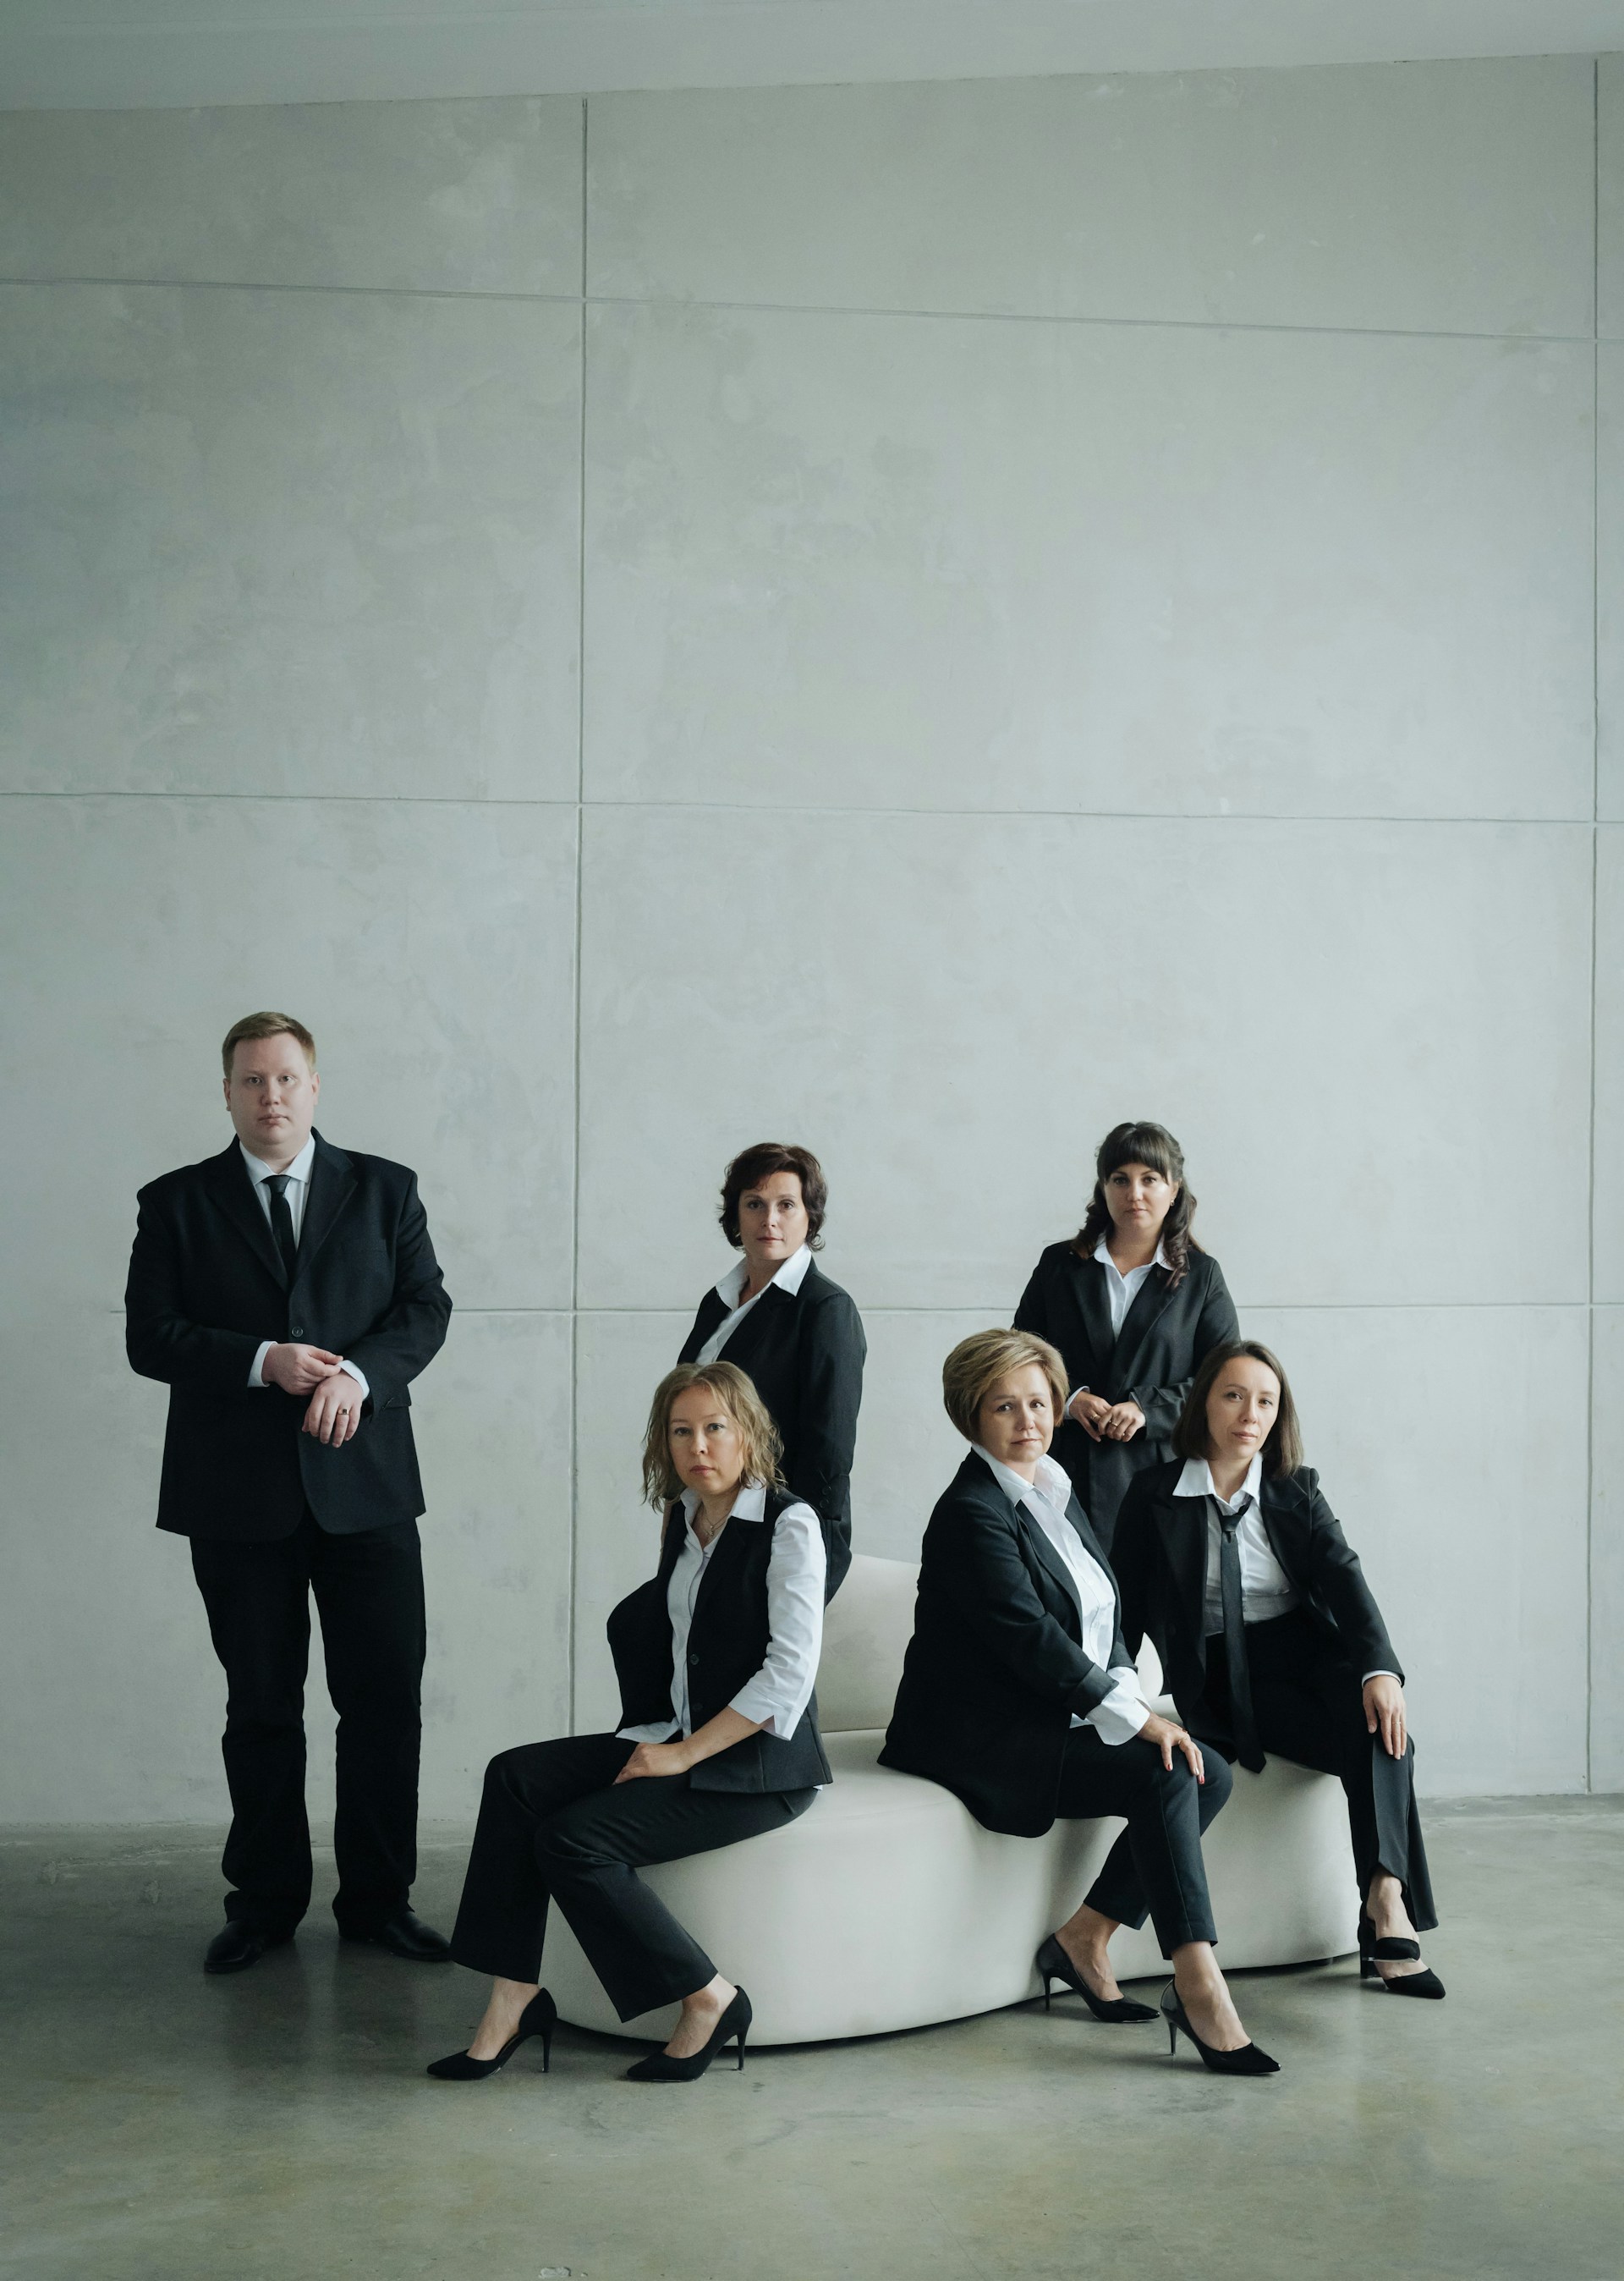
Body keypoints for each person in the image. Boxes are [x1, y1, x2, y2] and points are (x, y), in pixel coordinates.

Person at [123, 1012, 453, 1974]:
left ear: (316, 1087)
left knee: (384, 1703)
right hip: (236, 1501)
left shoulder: (387, 1189)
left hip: (369, 1490)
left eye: (287, 1078)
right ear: (226, 1092)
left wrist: (362, 1376)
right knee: (260, 1705)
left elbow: (424, 1308)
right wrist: (264, 1361)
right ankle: (264, 1903)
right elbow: (151, 1336)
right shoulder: (176, 1202)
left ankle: (379, 1901)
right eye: (251, 1080)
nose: (271, 1095)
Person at [881, 1329, 1278, 2075]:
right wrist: (1141, 1719)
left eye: (1039, 1402)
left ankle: (1086, 1936)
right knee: (1168, 1768)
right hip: (982, 1737)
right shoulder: (972, 1513)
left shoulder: (1055, 1493)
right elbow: (1034, 1642)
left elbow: (1104, 1623)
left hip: (1052, 1716)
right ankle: (1198, 1983)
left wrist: (1133, 1700)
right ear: (972, 1417)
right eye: (1005, 1407)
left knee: (1207, 1771)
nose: (1028, 1420)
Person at [431, 1362, 829, 2085]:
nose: (698, 1446)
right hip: (673, 1732)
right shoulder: (684, 1517)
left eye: (715, 1428)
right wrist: (658, 1738)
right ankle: (513, 1998)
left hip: (758, 1767)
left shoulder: (790, 1524)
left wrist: (680, 1757)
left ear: (749, 1434)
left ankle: (710, 1998)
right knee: (514, 1776)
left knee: (573, 1840)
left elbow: (788, 1677)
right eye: (682, 1431)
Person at [1112, 1340, 1442, 1999]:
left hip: (1308, 1653)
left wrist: (1380, 1669)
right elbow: (1121, 1603)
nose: (1249, 1413)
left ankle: (1384, 1896)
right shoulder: (1154, 1494)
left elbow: (1346, 1580)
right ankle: (1387, 1931)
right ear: (1204, 1401)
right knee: (1365, 1740)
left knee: (1380, 1721)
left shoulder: (1296, 1488)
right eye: (1233, 1395)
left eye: (1266, 1401)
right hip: (1221, 1670)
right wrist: (1118, 1696)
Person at [1013, 1121, 1237, 1554]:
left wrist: (1145, 1410)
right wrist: (1069, 1398)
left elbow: (1224, 1384)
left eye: (1149, 1179)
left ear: (1173, 1189)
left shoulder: (1201, 1277)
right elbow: (1018, 1358)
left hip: (1157, 1475)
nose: (1134, 1193)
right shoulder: (1059, 1265)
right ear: (1104, 1188)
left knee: (1146, 1607)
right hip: (1061, 1467)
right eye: (1120, 1179)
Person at [678, 1142, 865, 1597]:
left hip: (776, 1534)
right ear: (735, 1215)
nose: (769, 1220)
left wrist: (797, 1551)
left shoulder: (825, 1309)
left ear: (810, 1216)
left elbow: (828, 1454)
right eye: (754, 1204)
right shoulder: (719, 1300)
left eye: (786, 1205)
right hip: (700, 1521)